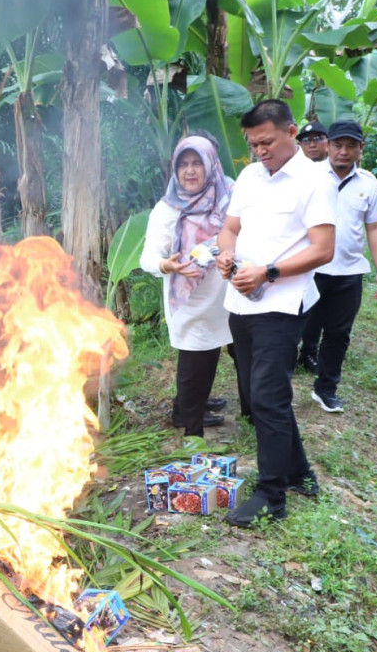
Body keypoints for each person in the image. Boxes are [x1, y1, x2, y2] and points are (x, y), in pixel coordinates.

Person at [215, 100, 336, 527]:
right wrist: (226, 253)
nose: (260, 151)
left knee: (267, 397)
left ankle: (272, 495)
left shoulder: (314, 181)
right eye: (253, 144)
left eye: (266, 142)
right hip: (240, 301)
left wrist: (268, 271)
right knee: (260, 395)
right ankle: (300, 472)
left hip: (282, 306)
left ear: (291, 132)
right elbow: (230, 226)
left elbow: (323, 249)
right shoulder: (249, 176)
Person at [139, 134, 236, 438]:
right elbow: (148, 257)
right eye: (183, 164)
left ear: (211, 165)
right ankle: (191, 430)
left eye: (197, 163)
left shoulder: (231, 198)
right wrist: (166, 265)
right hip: (190, 300)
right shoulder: (167, 209)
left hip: (231, 293)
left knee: (239, 354)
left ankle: (247, 415)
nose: (190, 171)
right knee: (197, 361)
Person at [298, 119, 377, 413]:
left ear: (361, 149)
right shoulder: (308, 177)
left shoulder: (368, 182)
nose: (343, 152)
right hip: (310, 269)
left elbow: (375, 227)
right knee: (294, 327)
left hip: (349, 272)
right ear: (328, 146)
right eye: (338, 145)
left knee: (338, 334)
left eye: (351, 146)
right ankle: (278, 386)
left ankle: (326, 389)